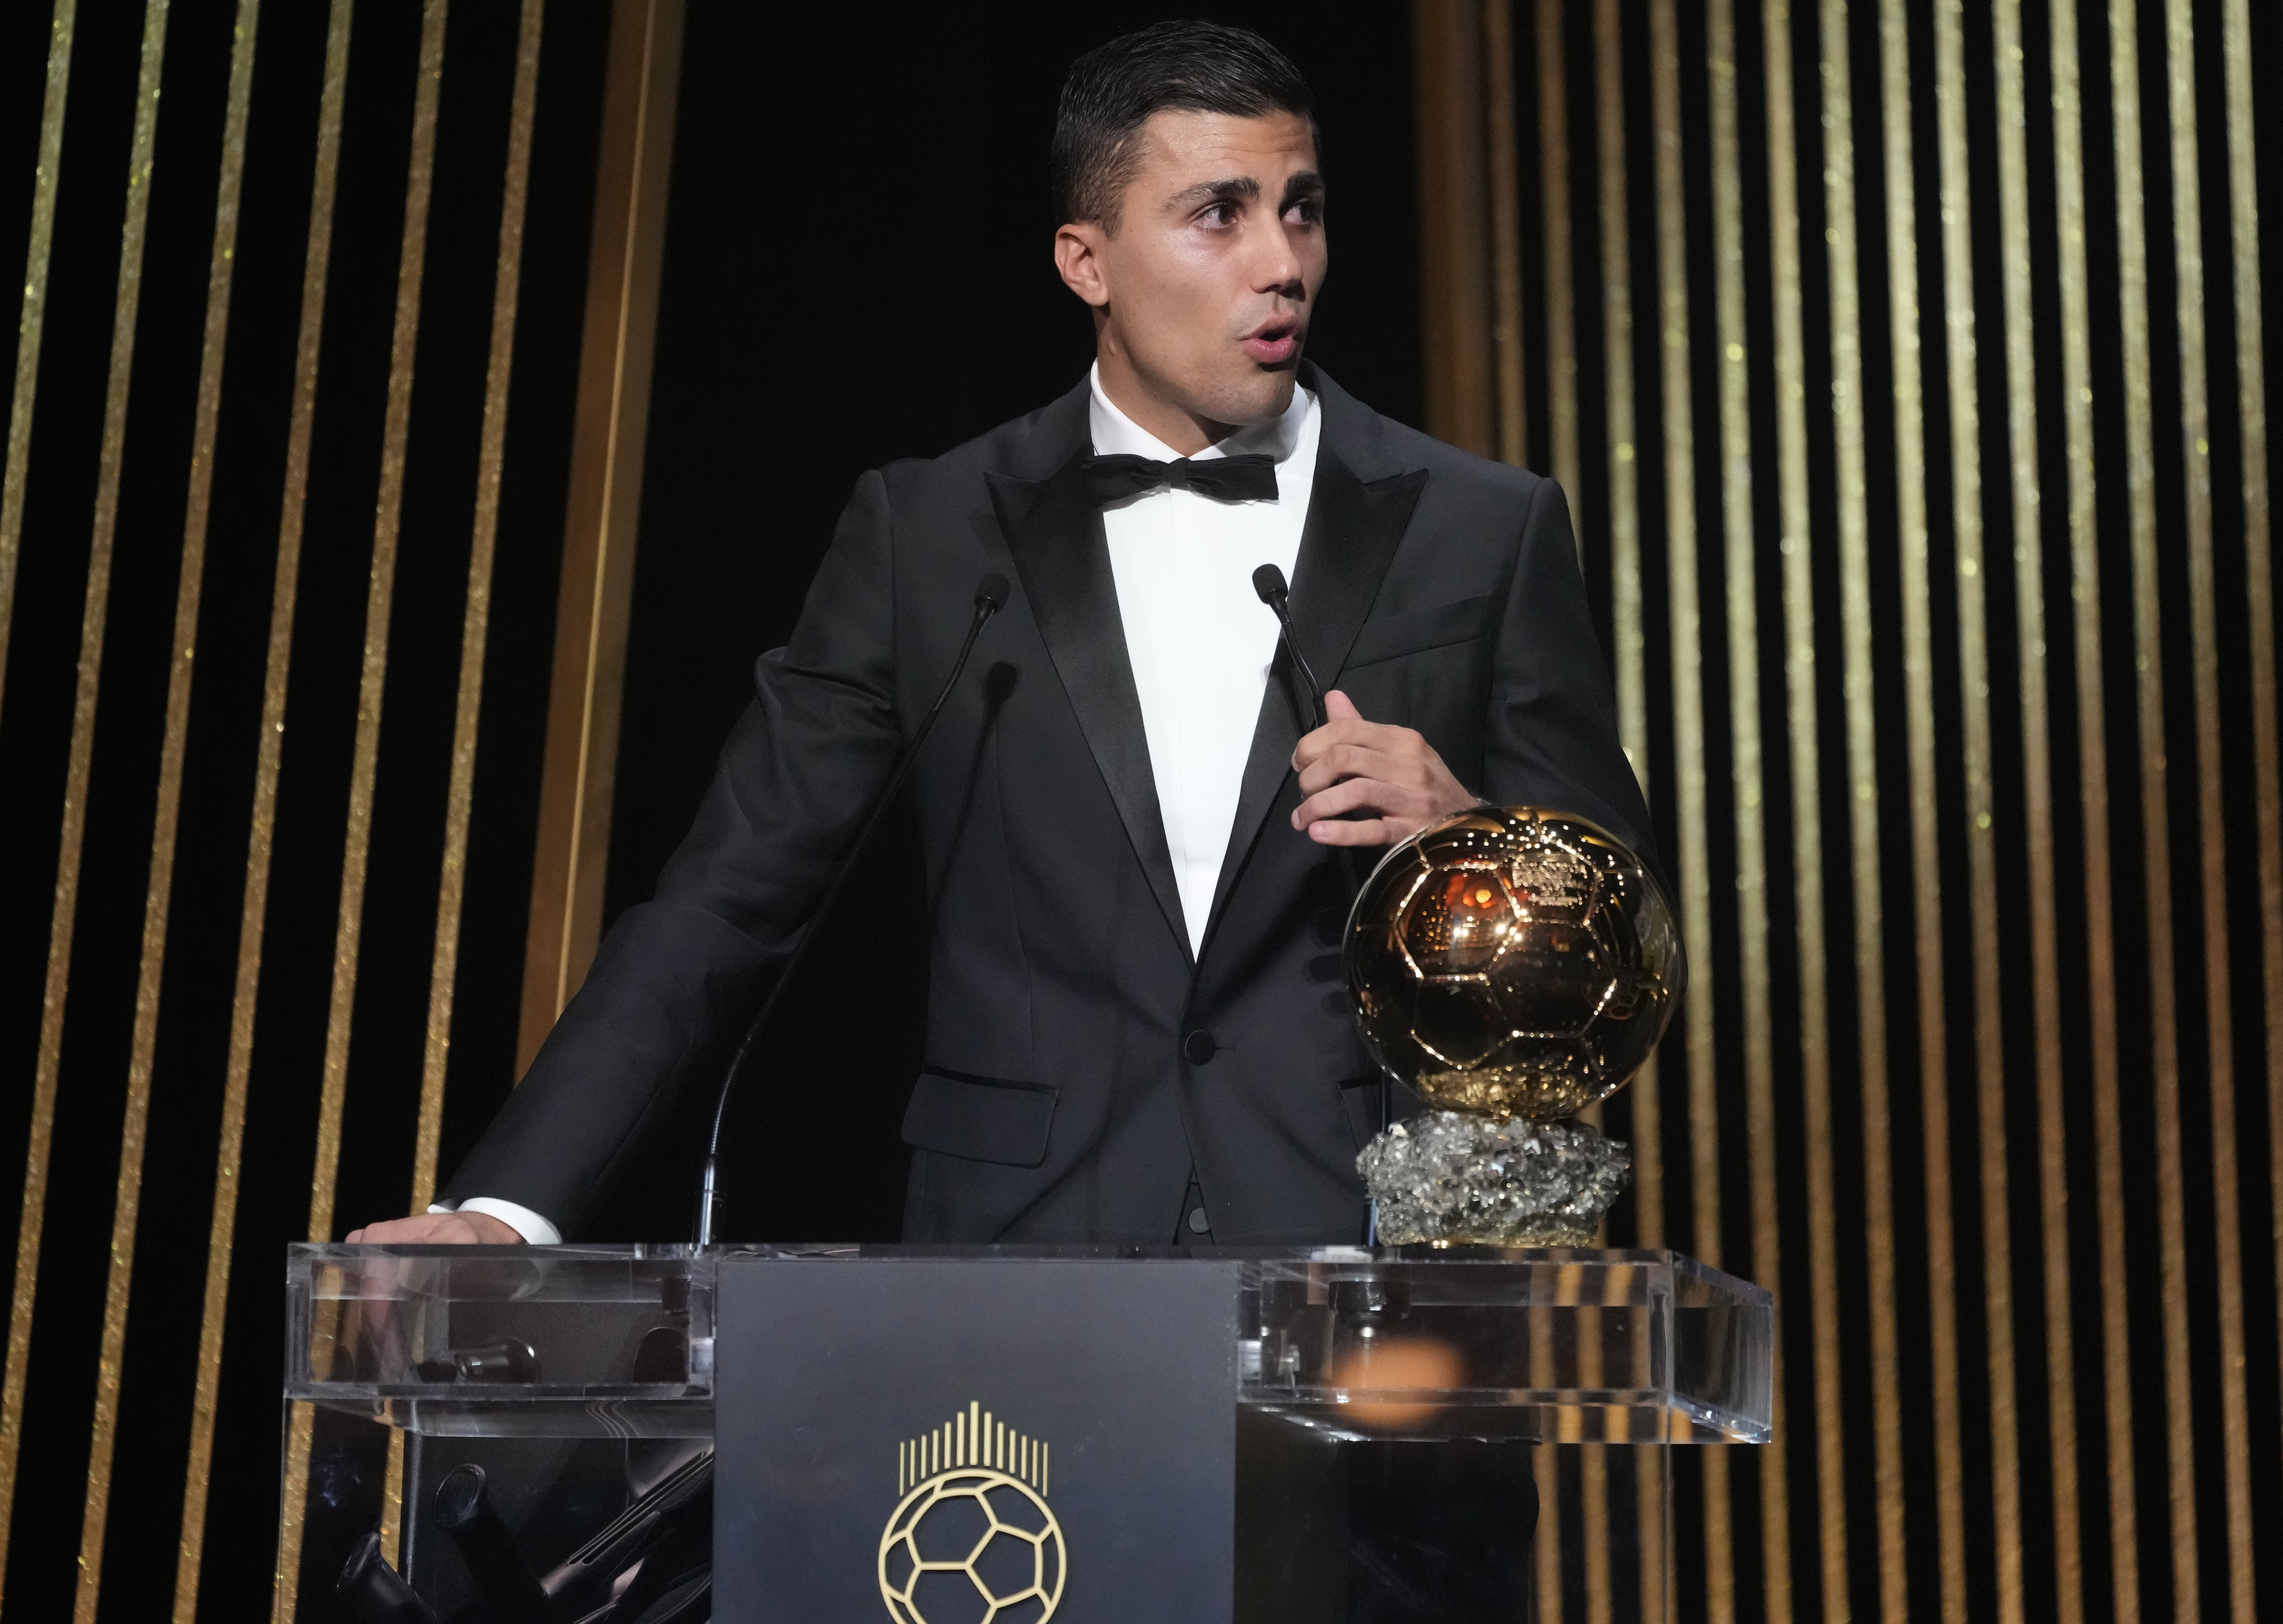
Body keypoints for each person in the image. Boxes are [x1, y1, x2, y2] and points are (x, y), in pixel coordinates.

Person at [352, 20, 1655, 1258]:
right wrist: (508, 1210)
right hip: (1018, 1283)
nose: (1284, 264)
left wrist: (1475, 835)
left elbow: (1629, 918)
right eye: (1220, 214)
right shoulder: (930, 538)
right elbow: (726, 900)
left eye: (1299, 207)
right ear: (1085, 261)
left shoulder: (1486, 527)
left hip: (1378, 1272)